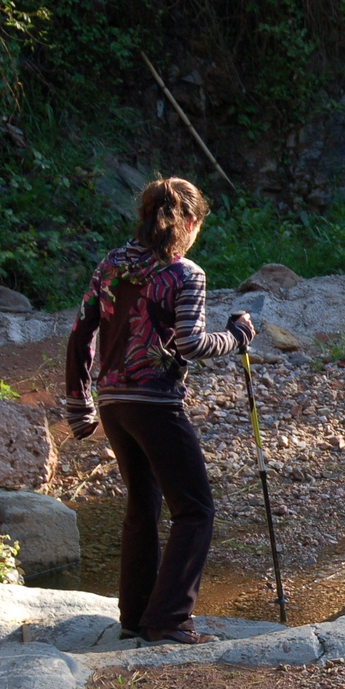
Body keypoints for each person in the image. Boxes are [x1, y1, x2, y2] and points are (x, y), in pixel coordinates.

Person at [65, 177, 256, 646]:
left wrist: (79, 403)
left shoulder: (111, 264)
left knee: (143, 504)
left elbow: (81, 332)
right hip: (156, 403)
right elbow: (191, 344)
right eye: (198, 225)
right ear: (188, 222)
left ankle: (134, 617)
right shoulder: (185, 274)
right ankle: (168, 619)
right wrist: (237, 336)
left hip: (113, 403)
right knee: (195, 510)